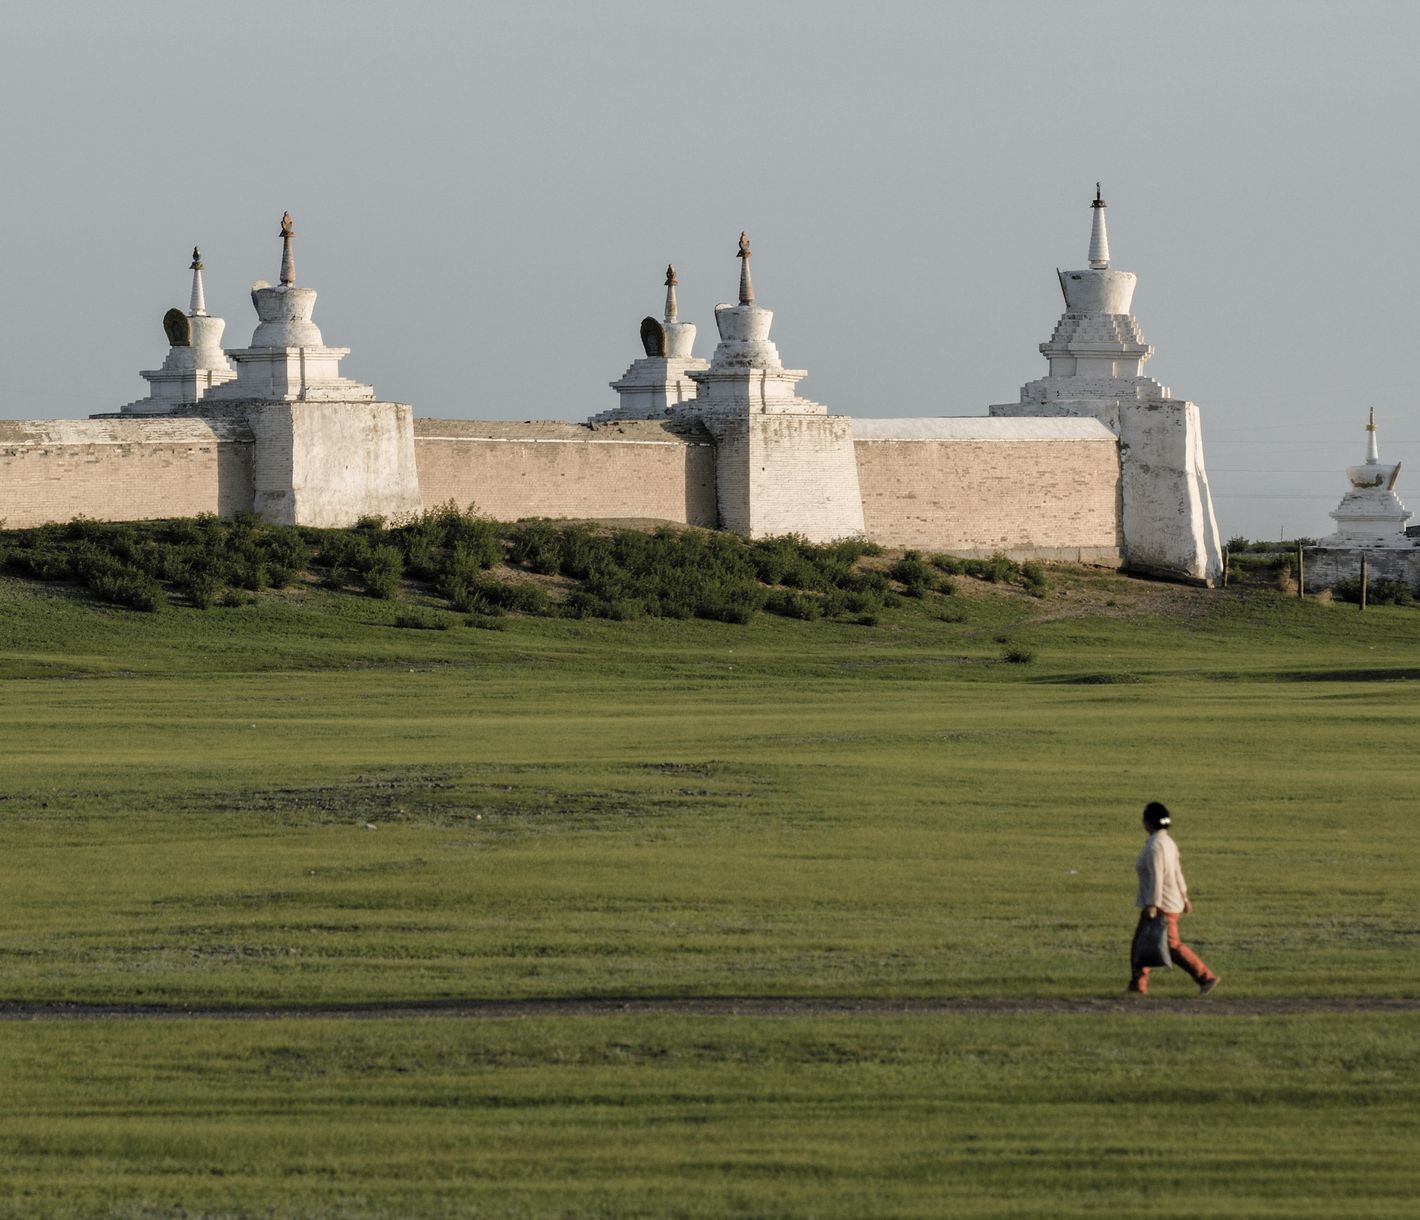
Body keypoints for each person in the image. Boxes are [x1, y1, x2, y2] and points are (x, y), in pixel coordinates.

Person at [1128, 801, 1220, 995]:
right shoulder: (1168, 842)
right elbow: (1177, 872)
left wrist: (1152, 904)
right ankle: (1137, 986)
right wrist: (1185, 897)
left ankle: (1205, 977)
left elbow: (1157, 876)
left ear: (1149, 822)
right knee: (1140, 946)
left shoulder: (1155, 846)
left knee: (1171, 946)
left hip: (1162, 905)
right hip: (1169, 902)